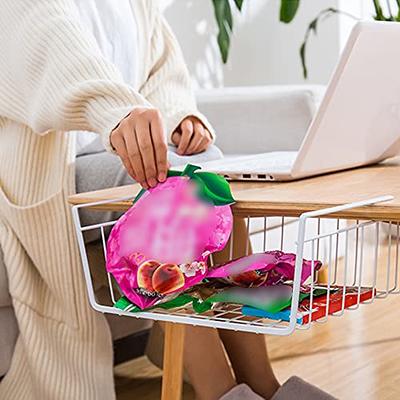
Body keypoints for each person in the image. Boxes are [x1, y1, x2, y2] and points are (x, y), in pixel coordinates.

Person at [0, 1, 335, 399]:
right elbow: (53, 52)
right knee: (170, 188)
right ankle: (219, 389)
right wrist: (118, 112)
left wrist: (181, 119)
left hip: (128, 156)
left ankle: (262, 382)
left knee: (210, 179)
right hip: (54, 166)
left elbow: (162, 72)